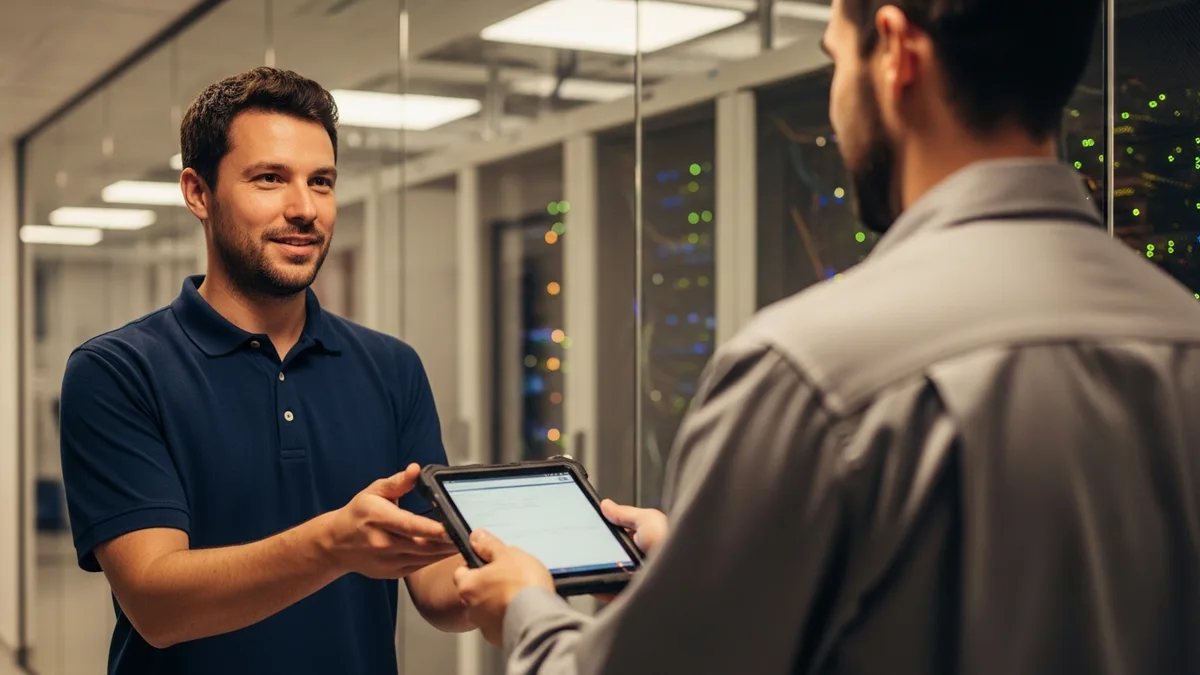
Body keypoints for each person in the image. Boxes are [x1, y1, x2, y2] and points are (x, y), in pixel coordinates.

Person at [453, 0, 1200, 673]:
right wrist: (701, 562)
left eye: (835, 58)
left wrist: (526, 609)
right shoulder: (1182, 338)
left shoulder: (810, 374)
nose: (836, 109)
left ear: (896, 52)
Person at [58, 67, 471, 675]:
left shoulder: (392, 367)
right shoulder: (117, 371)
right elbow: (156, 605)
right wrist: (334, 544)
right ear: (198, 193)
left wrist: (527, 569)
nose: (304, 209)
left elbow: (436, 586)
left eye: (322, 182)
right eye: (270, 179)